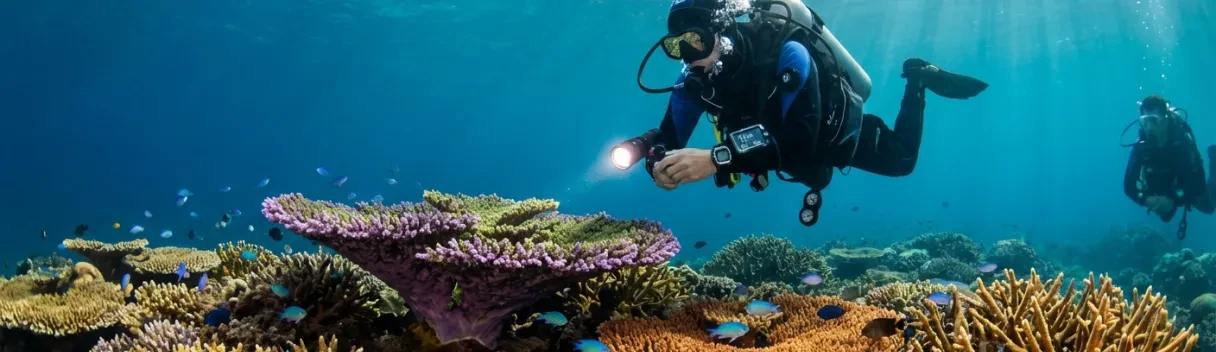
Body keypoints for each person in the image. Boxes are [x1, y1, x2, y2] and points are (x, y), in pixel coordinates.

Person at [618, 0, 988, 226]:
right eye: (675, 47)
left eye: (695, 39)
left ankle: (918, 79)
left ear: (722, 30)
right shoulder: (694, 81)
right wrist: (654, 159)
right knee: (814, 175)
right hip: (775, 152)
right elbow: (667, 137)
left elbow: (800, 139)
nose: (689, 56)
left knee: (901, 162)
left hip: (827, 129)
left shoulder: (787, 52)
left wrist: (716, 158)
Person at [1122, 94, 1215, 239]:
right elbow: (1128, 185)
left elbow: (1198, 183)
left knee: (1208, 207)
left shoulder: (1182, 141)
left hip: (1185, 183)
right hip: (1163, 184)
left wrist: (1173, 199)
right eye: (1144, 122)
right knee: (1165, 217)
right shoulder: (1141, 146)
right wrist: (1145, 199)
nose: (1148, 128)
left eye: (1153, 120)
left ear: (1165, 121)